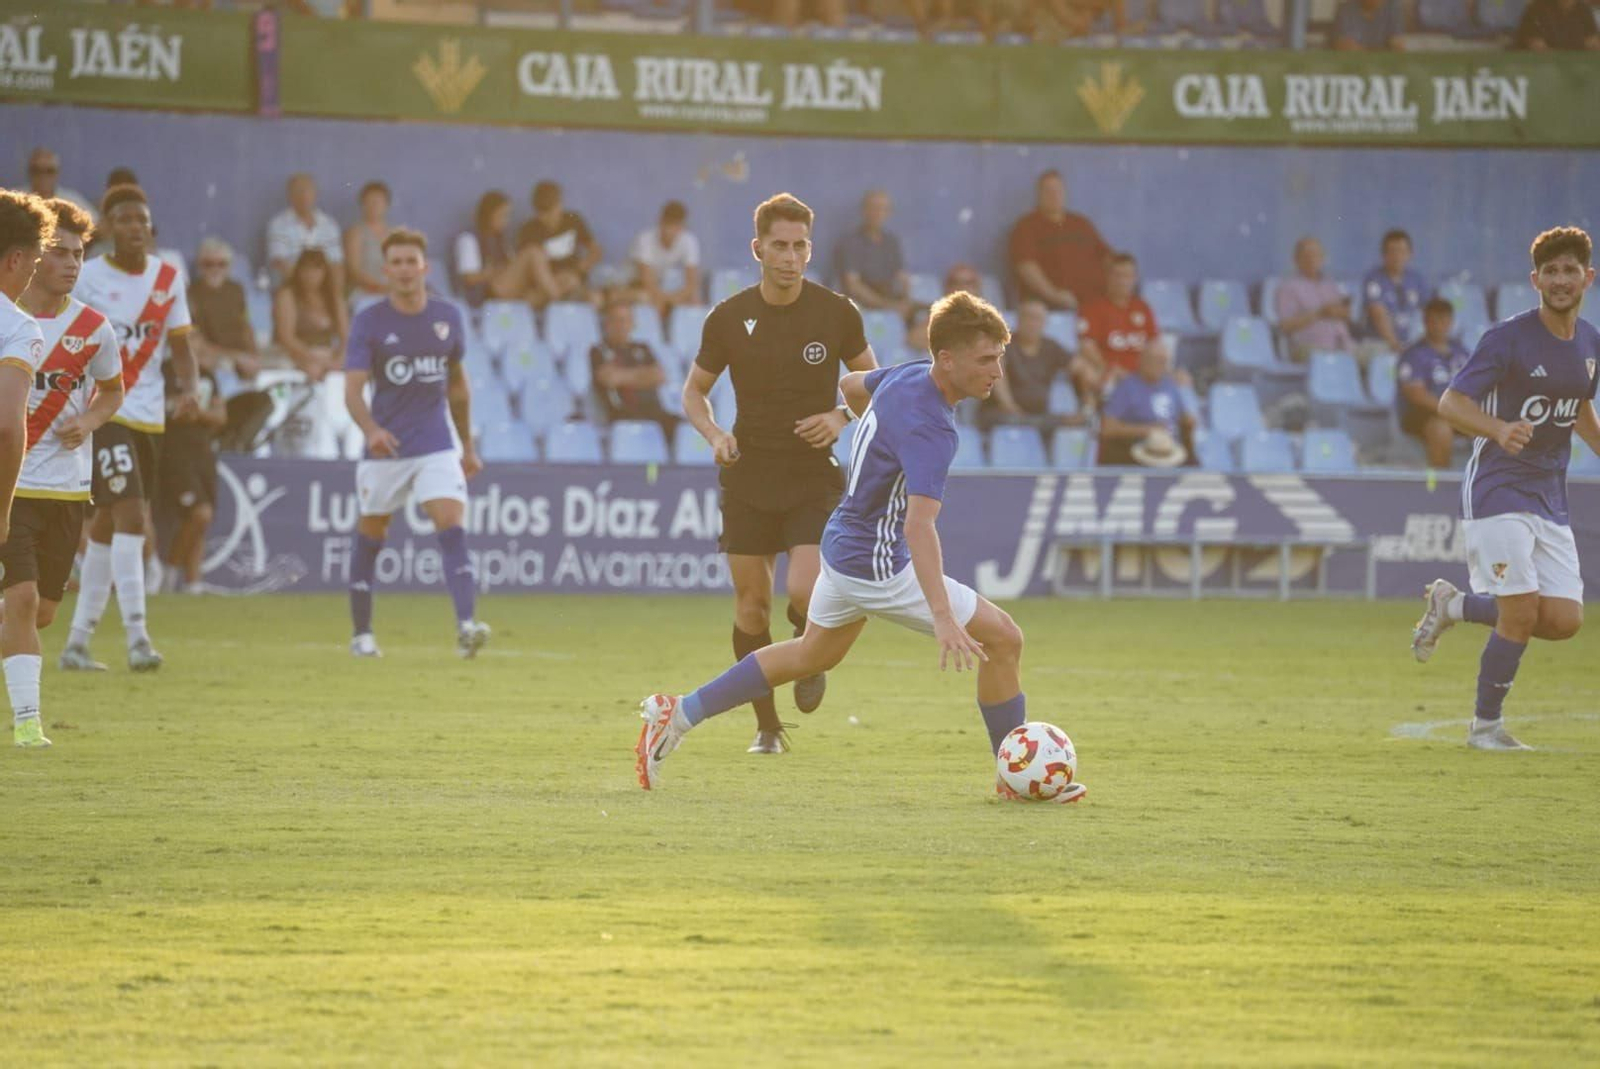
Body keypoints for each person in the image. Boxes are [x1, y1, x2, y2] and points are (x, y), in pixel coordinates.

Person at [636, 291, 1085, 803]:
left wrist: (862, 427)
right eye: (987, 359)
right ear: (948, 358)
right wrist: (942, 615)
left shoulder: (905, 374)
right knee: (1004, 640)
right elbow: (920, 528)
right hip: (877, 564)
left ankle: (680, 712)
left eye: (999, 358)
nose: (997, 372)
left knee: (810, 653)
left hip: (843, 541)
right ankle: (1015, 779)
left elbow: (850, 385)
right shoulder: (932, 427)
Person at [681, 192, 878, 755]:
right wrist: (717, 435)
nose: (791, 257)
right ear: (758, 249)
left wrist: (840, 416)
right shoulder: (727, 317)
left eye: (800, 247)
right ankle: (767, 727)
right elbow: (694, 391)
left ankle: (809, 649)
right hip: (748, 476)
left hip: (812, 473)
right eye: (780, 247)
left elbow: (877, 384)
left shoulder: (837, 313)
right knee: (749, 606)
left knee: (804, 587)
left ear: (809, 250)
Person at [1409, 226, 1599, 750]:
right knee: (1519, 611)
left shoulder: (1590, 343)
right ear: (1534, 278)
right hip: (1497, 487)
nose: (1561, 280)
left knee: (1563, 620)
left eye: (1570, 271)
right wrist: (1497, 429)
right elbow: (1450, 404)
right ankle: (1485, 727)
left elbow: (1578, 404)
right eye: (1551, 271)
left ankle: (1452, 606)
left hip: (1548, 494)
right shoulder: (1507, 338)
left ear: (1588, 277)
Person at [64, 184, 200, 674]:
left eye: (141, 219)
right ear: (107, 227)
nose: (135, 227)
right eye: (124, 219)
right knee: (132, 518)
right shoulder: (90, 277)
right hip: (106, 412)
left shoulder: (169, 278)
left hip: (150, 418)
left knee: (105, 526)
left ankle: (77, 643)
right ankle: (139, 638)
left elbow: (181, 345)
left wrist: (189, 387)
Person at [342, 229, 490, 659]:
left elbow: (458, 387)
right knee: (372, 534)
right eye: (398, 263)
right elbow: (352, 391)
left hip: (436, 443)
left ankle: (466, 627)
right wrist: (370, 430)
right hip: (385, 447)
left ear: (425, 267)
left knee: (451, 525)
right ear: (386, 270)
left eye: (413, 261)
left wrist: (467, 446)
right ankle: (362, 634)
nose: (406, 270)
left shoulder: (448, 316)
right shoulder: (369, 321)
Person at [0, 190, 59, 747]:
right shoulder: (18, 328)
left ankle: (25, 723)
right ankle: (25, 722)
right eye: (36, 262)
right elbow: (7, 426)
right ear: (15, 260)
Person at [159, 344, 226, 594]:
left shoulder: (207, 375)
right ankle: (169, 571)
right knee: (200, 513)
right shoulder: (163, 371)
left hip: (203, 452)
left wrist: (197, 413)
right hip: (174, 452)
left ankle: (193, 581)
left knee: (200, 518)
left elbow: (220, 417)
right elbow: (163, 409)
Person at [1008, 169, 1111, 311]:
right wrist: (1055, 295)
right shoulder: (1026, 226)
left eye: (1058, 190)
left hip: (1095, 303)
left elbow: (1108, 257)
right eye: (1048, 190)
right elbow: (1026, 267)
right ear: (1038, 195)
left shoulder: (1080, 223)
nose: (1054, 195)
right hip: (1050, 307)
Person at [979, 299, 1080, 430]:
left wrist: (1088, 403)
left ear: (1044, 322)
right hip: (1002, 414)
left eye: (1037, 318)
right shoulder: (1002, 345)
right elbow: (996, 377)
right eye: (1028, 317)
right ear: (1019, 319)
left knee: (1073, 423)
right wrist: (1011, 408)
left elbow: (1082, 370)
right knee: (1020, 421)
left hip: (1039, 416)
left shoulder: (1051, 347)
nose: (1032, 323)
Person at [454, 190, 560, 310]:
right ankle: (559, 303)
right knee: (532, 252)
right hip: (486, 296)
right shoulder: (468, 239)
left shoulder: (501, 241)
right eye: (502, 215)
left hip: (508, 295)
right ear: (489, 215)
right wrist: (491, 273)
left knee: (565, 280)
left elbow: (512, 268)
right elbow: (468, 279)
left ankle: (558, 311)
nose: (506, 220)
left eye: (507, 216)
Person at [1395, 298, 1469, 468]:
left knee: (1495, 425)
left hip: (1459, 412)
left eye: (1443, 320)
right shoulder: (1414, 354)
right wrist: (1452, 411)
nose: (1438, 326)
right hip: (1422, 415)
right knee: (1441, 428)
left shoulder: (1461, 352)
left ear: (1450, 322)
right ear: (1425, 322)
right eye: (1433, 321)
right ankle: (1441, 486)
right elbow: (1416, 395)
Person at [1098, 337, 1196, 466]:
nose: (1162, 365)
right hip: (1139, 457)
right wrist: (1146, 430)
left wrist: (1188, 422)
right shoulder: (1127, 388)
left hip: (1171, 452)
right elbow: (1107, 429)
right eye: (1157, 360)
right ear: (1142, 361)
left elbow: (1184, 419)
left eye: (1164, 361)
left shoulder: (1171, 385)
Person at [589, 300, 677, 442]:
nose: (621, 325)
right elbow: (609, 379)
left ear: (632, 324)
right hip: (622, 414)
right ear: (607, 324)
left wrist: (623, 377)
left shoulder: (643, 348)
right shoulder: (598, 351)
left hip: (654, 411)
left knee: (687, 428)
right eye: (616, 320)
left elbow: (659, 376)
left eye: (625, 320)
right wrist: (642, 376)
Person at [1077, 252, 1160, 388]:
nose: (1122, 281)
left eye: (1127, 276)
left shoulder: (1143, 308)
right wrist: (1109, 368)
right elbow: (1087, 347)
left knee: (1181, 378)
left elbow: (1154, 344)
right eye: (1117, 275)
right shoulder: (1091, 308)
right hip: (1109, 373)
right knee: (1086, 370)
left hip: (1142, 375)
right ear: (1108, 277)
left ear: (1135, 278)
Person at [189, 237, 261, 383]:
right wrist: (236, 357)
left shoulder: (236, 290)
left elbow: (246, 326)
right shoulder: (190, 294)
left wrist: (254, 354)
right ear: (199, 266)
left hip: (240, 355)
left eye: (221, 264)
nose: (215, 269)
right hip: (214, 356)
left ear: (229, 266)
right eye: (208, 264)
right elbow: (195, 342)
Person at [515, 181, 601, 303]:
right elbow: (527, 269)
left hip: (574, 279)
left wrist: (578, 271)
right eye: (542, 212)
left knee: (595, 299)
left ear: (559, 204)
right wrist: (554, 280)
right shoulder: (528, 230)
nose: (547, 217)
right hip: (545, 286)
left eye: (551, 209)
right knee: (528, 300)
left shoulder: (573, 220)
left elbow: (596, 251)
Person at [1274, 236, 1356, 362]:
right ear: (1296, 260)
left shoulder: (1330, 284)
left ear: (1323, 259)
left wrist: (1343, 312)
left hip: (1344, 346)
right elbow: (1285, 326)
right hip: (1308, 348)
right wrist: (1319, 313)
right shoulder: (1288, 287)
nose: (1312, 260)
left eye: (1316, 255)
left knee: (1380, 355)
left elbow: (1346, 316)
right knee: (1332, 360)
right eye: (1306, 256)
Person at [833, 189, 911, 317]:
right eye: (873, 208)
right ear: (864, 210)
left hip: (889, 298)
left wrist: (905, 301)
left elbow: (903, 278)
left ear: (889, 213)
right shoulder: (850, 243)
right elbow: (853, 286)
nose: (878, 213)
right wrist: (887, 306)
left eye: (883, 209)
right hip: (862, 305)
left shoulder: (891, 242)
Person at [273, 249, 343, 383]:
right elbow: (286, 337)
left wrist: (339, 358)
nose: (311, 275)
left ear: (325, 272)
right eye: (306, 270)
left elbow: (347, 336)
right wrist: (315, 357)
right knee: (314, 369)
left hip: (328, 352)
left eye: (316, 270)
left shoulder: (333, 297)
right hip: (297, 353)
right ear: (298, 271)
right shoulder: (287, 295)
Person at [629, 200, 701, 316]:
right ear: (660, 222)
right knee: (652, 301)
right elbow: (646, 281)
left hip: (658, 286)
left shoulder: (689, 241)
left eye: (676, 225)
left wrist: (673, 299)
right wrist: (667, 300)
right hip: (633, 285)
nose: (670, 230)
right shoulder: (645, 240)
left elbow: (692, 283)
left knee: (695, 302)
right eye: (668, 224)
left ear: (682, 226)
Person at [1362, 229, 1429, 353]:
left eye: (1402, 251)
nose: (1397, 256)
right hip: (1380, 342)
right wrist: (1396, 346)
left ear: (1410, 254)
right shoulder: (1374, 279)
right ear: (1383, 254)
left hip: (1409, 342)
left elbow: (1428, 313)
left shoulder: (1416, 279)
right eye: (1392, 251)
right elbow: (1378, 314)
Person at [343, 180, 393, 297]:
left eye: (378, 202)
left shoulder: (395, 234)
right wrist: (381, 288)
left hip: (393, 291)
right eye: (369, 201)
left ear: (386, 205)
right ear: (362, 204)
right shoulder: (355, 232)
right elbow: (354, 272)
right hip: (365, 291)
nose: (374, 206)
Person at [24, 148, 95, 222]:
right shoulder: (17, 200)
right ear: (29, 172)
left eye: (49, 171)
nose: (43, 176)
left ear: (57, 173)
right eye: (37, 170)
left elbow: (96, 224)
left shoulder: (72, 201)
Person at [1514, 0, 1600, 49]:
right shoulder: (1536, 9)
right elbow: (1536, 45)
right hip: (1541, 68)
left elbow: (1593, 41)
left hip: (1577, 70)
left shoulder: (1584, 10)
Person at [1332, 0, 1404, 50]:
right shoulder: (1345, 9)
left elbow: (1397, 44)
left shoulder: (1393, 8)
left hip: (1384, 66)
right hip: (1353, 65)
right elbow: (1344, 45)